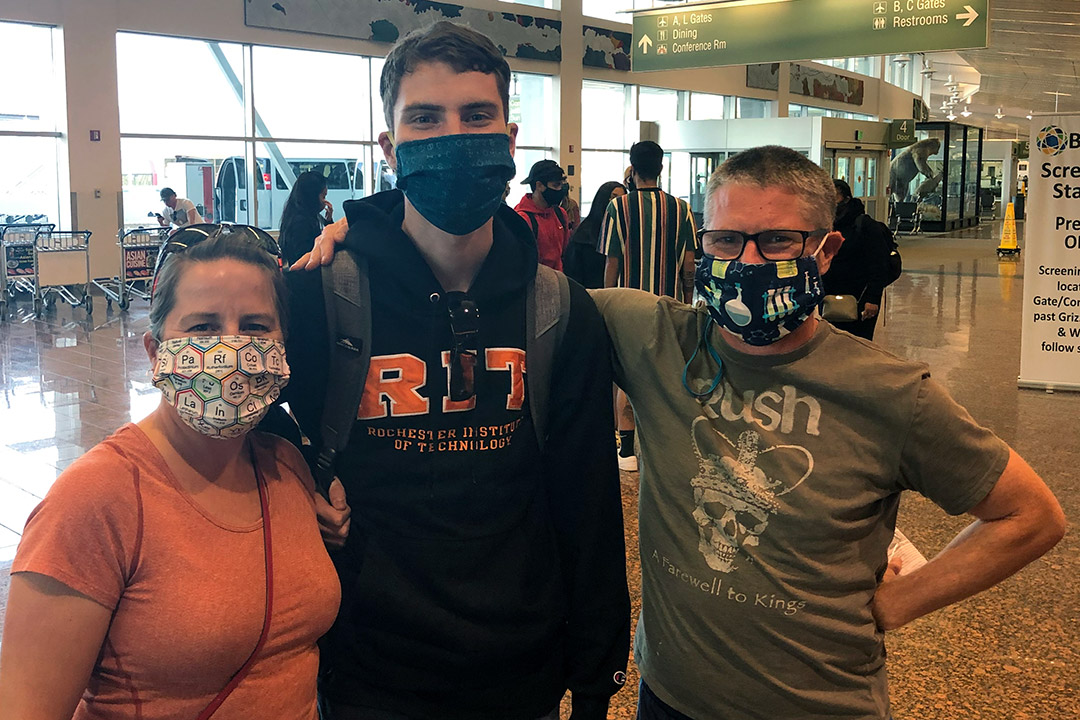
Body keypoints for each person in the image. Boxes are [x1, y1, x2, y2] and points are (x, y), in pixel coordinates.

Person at [590, 145, 1065, 719]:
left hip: (817, 703)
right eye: (725, 240)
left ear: (825, 250)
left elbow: (1032, 515)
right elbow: (529, 300)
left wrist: (898, 604)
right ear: (703, 245)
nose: (746, 261)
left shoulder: (887, 391)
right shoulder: (653, 337)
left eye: (777, 241)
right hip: (670, 694)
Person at [282, 21, 629, 720]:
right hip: (364, 668)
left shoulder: (559, 310)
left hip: (519, 672)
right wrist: (300, 484)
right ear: (389, 148)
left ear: (508, 141)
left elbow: (587, 504)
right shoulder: (321, 296)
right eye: (425, 118)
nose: (451, 135)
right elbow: (241, 422)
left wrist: (595, 679)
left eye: (475, 116)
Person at [0, 224, 341, 719]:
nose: (230, 349)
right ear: (155, 352)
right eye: (202, 327)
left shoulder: (286, 466)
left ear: (283, 346)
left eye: (255, 326)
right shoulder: (94, 501)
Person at [600, 140, 698, 473]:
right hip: (667, 305)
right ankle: (662, 445)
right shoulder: (681, 208)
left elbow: (612, 262)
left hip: (627, 307)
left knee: (627, 374)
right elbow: (689, 264)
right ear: (661, 167)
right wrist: (687, 300)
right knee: (665, 373)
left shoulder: (619, 208)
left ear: (633, 167)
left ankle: (625, 449)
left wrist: (606, 299)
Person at [822, 178, 893, 340]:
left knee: (857, 342)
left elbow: (879, 264)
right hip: (828, 295)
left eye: (834, 198)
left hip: (860, 296)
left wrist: (873, 299)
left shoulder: (865, 225)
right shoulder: (825, 225)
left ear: (846, 199)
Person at [562, 181, 625, 289]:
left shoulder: (624, 231)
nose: (617, 203)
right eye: (613, 198)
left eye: (621, 199)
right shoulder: (582, 235)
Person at [515, 159, 571, 271]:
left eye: (561, 185)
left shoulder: (560, 214)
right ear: (539, 185)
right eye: (556, 185)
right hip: (534, 282)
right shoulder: (522, 218)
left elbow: (565, 252)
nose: (560, 190)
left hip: (558, 280)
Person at [279, 170, 334, 266]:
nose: (325, 201)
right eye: (323, 196)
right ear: (312, 196)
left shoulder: (297, 215)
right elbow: (305, 256)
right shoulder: (300, 222)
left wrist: (328, 221)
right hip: (303, 276)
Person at [888, 137, 942, 202]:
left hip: (902, 180)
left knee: (899, 201)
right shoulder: (921, 149)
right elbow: (920, 164)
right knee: (887, 198)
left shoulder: (918, 149)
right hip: (894, 176)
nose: (937, 152)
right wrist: (929, 173)